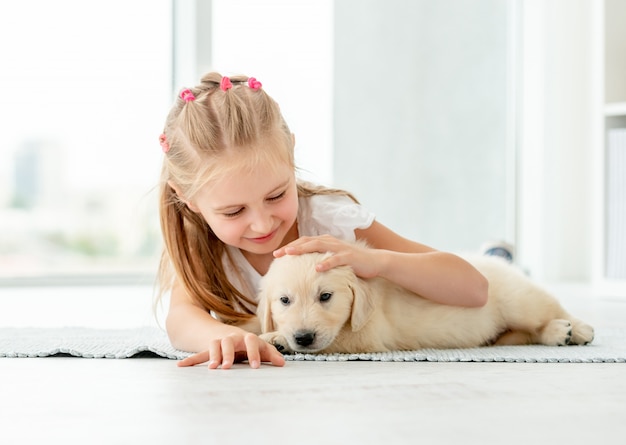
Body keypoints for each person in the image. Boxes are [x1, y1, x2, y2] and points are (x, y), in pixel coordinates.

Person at [156, 72, 488, 370]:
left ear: (292, 155)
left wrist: (378, 261)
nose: (262, 224)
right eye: (233, 212)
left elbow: (474, 288)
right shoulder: (199, 240)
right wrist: (227, 336)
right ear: (187, 196)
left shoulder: (331, 220)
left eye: (276, 196)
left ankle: (498, 255)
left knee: (495, 272)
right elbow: (181, 319)